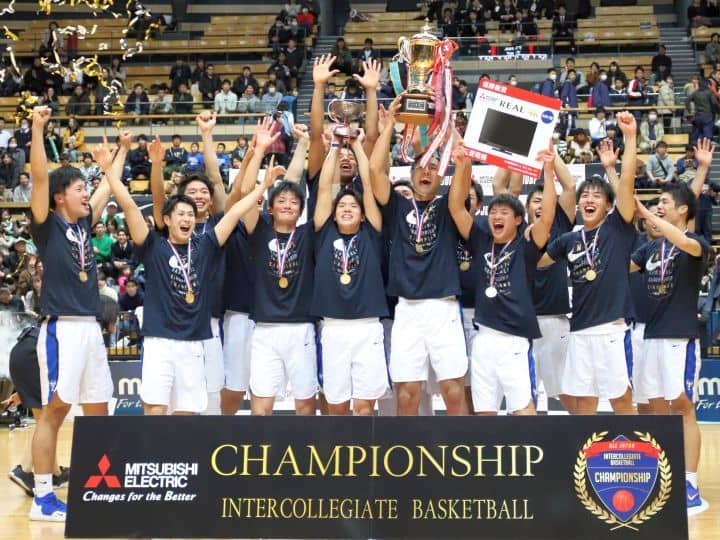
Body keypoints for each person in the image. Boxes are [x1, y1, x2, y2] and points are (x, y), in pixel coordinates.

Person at [95, 132, 267, 417]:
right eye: (181, 213)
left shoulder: (205, 245)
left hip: (195, 341)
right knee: (155, 410)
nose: (187, 218)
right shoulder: (153, 245)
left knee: (187, 414)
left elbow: (235, 210)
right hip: (159, 340)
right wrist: (109, 170)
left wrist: (265, 186)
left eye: (190, 214)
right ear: (166, 219)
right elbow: (128, 204)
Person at [26, 107, 121, 521]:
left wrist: (119, 154)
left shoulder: (83, 227)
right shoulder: (47, 224)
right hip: (61, 328)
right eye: (79, 188)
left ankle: (97, 487)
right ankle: (43, 498)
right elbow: (40, 178)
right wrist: (37, 128)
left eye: (87, 188)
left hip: (90, 329)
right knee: (55, 411)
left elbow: (107, 188)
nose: (87, 193)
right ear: (60, 196)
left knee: (98, 409)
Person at [369, 97, 467, 416]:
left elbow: (463, 161)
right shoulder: (397, 206)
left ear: (441, 177)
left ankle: (461, 447)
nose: (426, 173)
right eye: (420, 169)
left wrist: (449, 127)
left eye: (433, 169)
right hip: (407, 309)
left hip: (443, 307)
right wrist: (389, 126)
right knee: (407, 393)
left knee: (453, 391)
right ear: (410, 176)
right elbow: (374, 169)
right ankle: (406, 448)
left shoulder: (449, 207)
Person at [539, 111, 638, 416]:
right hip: (579, 331)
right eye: (585, 196)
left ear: (608, 205)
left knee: (621, 400)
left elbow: (627, 184)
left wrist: (630, 138)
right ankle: (587, 447)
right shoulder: (568, 240)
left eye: (597, 196)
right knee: (583, 401)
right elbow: (536, 261)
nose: (589, 199)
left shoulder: (617, 228)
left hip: (611, 330)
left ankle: (634, 448)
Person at [631, 184, 710, 509]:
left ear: (682, 209)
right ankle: (664, 475)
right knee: (656, 409)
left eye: (664, 202)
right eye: (656, 203)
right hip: (650, 336)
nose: (658, 207)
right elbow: (619, 266)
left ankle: (689, 482)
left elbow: (683, 242)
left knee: (682, 407)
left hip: (679, 337)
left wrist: (649, 215)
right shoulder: (651, 249)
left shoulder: (698, 244)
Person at [149, 112, 228, 415]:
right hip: (174, 325)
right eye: (191, 193)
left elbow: (217, 181)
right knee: (170, 403)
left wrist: (206, 134)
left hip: (210, 321)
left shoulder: (217, 225)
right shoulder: (168, 230)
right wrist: (157, 165)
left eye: (203, 192)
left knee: (209, 398)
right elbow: (158, 200)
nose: (199, 196)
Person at [309, 128, 388, 416]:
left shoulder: (372, 231)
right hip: (333, 327)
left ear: (363, 213)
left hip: (368, 326)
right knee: (336, 404)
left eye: (353, 205)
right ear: (333, 213)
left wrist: (356, 146)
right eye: (341, 205)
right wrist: (333, 146)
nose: (346, 208)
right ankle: (340, 446)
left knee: (365, 406)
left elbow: (368, 184)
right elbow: (325, 188)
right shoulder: (323, 231)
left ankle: (363, 446)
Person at [527, 152, 577, 413]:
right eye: (535, 201)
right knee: (524, 393)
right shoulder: (515, 231)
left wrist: (552, 153)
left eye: (543, 200)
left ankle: (585, 432)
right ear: (526, 208)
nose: (540, 205)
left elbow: (569, 187)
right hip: (522, 324)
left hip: (555, 321)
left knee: (565, 391)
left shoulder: (560, 225)